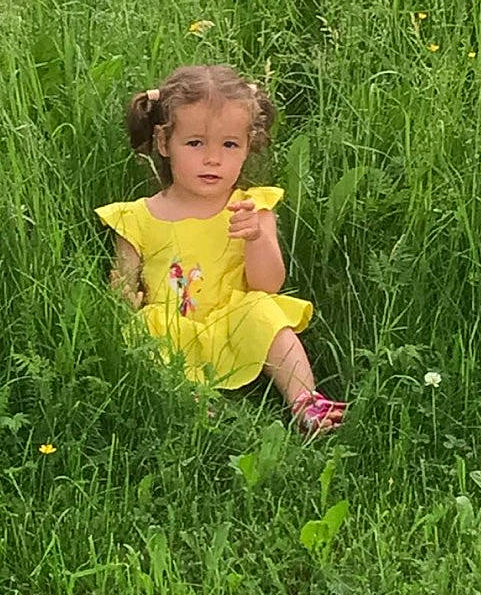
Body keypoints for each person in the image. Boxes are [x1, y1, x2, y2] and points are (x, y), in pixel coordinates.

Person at [95, 64, 347, 436]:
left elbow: (268, 285)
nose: (213, 159)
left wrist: (255, 240)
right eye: (195, 143)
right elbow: (125, 288)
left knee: (264, 313)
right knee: (140, 330)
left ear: (247, 147)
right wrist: (122, 299)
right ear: (165, 144)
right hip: (171, 327)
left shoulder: (251, 207)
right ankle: (192, 401)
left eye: (229, 145)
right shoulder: (137, 218)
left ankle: (306, 400)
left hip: (233, 320)